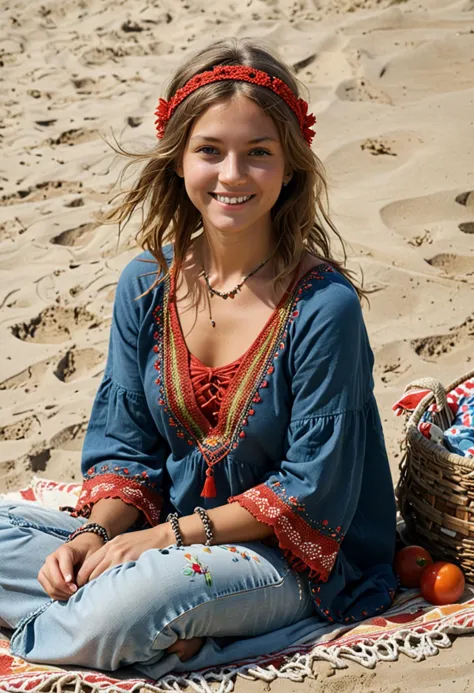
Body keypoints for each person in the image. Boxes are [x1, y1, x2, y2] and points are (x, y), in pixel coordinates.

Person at [0, 38, 397, 678]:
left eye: (259, 153)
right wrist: (94, 536)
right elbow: (126, 446)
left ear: (290, 165)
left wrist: (160, 541)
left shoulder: (326, 306)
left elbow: (310, 489)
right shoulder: (146, 285)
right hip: (168, 540)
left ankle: (119, 627)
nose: (232, 175)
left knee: (131, 605)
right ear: (179, 160)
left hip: (289, 560)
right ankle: (129, 627)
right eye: (210, 150)